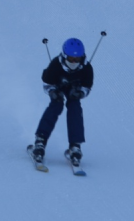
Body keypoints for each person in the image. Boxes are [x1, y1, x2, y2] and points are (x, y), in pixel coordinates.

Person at [33, 38, 94, 168]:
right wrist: (53, 92)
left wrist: (80, 93)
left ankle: (75, 146)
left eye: (77, 59)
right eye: (71, 58)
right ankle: (40, 140)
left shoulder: (86, 68)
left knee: (75, 107)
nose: (74, 62)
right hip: (57, 88)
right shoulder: (56, 64)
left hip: (74, 90)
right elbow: (47, 83)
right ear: (65, 56)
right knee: (56, 106)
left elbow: (87, 87)